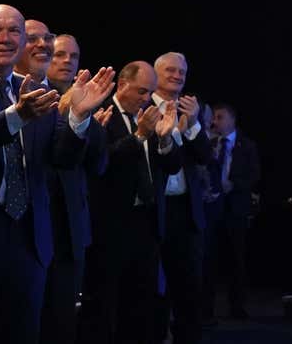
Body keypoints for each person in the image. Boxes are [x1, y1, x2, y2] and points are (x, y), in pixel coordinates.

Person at [0, 4, 109, 344]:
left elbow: (62, 158)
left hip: (29, 239)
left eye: (14, 31)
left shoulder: (36, 90)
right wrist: (15, 116)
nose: (6, 38)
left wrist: (77, 118)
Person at [84, 62, 181, 344]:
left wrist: (164, 139)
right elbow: (100, 162)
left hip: (147, 222)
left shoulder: (149, 115)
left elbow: (173, 167)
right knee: (104, 303)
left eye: (150, 92)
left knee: (141, 303)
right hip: (110, 225)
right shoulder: (102, 114)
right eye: (141, 91)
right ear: (123, 84)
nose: (146, 98)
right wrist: (138, 136)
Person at [38, 33, 111, 344]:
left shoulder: (86, 101)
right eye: (60, 55)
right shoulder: (29, 94)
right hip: (33, 223)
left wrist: (82, 119)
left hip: (70, 229)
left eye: (74, 56)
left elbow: (98, 165)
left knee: (62, 321)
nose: (68, 61)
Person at [151, 52, 214, 344]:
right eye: (171, 71)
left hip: (186, 213)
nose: (178, 76)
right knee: (152, 288)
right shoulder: (142, 107)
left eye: (182, 73)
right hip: (152, 210)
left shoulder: (190, 112)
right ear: (156, 73)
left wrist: (194, 124)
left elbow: (205, 157)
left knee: (189, 289)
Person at [203, 103, 260, 321]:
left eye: (220, 117)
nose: (215, 122)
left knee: (236, 259)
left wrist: (233, 185)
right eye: (214, 118)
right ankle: (206, 308)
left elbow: (254, 175)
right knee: (209, 260)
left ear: (232, 120)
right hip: (213, 209)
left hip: (236, 209)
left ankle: (237, 307)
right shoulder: (209, 143)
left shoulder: (247, 146)